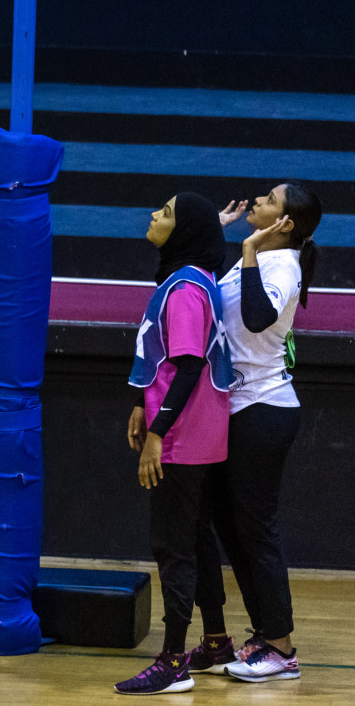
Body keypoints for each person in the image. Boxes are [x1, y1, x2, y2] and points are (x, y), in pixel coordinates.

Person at [185, 184, 320, 683]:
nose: (257, 202)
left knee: (256, 528)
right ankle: (266, 634)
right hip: (236, 409)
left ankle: (281, 647)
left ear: (284, 224)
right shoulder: (255, 260)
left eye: (269, 200)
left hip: (264, 412)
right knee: (232, 524)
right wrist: (212, 236)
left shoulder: (280, 265)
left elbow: (258, 316)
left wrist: (245, 251)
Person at [116, 193, 231, 695]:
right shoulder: (196, 279)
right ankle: (217, 639)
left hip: (181, 439)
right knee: (198, 540)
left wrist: (157, 435)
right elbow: (166, 356)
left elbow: (188, 366)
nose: (153, 215)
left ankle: (172, 661)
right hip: (203, 433)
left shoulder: (184, 287)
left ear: (183, 233)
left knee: (174, 548)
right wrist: (144, 401)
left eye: (164, 213)